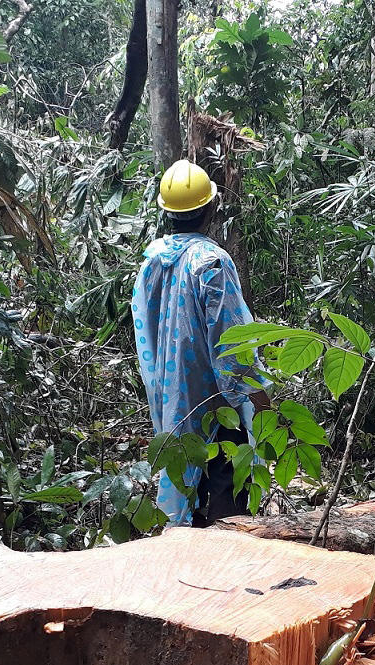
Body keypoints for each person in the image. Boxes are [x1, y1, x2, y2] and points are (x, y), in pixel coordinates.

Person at [130, 159, 271, 527]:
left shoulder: (152, 260)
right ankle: (227, 574)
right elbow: (232, 346)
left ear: (166, 213)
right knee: (229, 495)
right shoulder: (212, 262)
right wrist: (262, 401)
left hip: (174, 403)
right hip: (217, 405)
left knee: (187, 490)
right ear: (211, 207)